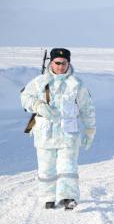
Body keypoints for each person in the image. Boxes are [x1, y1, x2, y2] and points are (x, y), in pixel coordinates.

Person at [20, 48, 96, 210]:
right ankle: (48, 197)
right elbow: (25, 97)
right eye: (58, 63)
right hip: (44, 133)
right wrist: (38, 105)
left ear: (69, 63)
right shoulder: (40, 81)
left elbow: (87, 108)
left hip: (68, 134)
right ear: (51, 62)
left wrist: (90, 129)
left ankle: (68, 197)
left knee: (67, 166)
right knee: (46, 167)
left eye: (64, 63)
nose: (61, 66)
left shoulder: (76, 85)